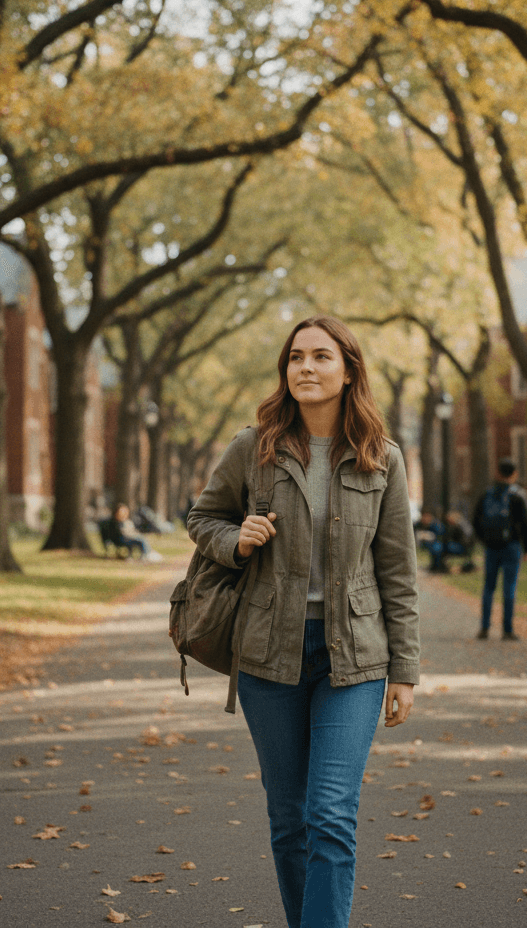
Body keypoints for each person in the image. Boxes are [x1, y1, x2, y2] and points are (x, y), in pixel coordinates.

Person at [186, 315, 419, 928]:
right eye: (295, 358)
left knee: (332, 814)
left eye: (320, 357)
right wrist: (238, 539)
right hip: (269, 652)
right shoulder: (254, 447)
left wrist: (406, 671)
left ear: (348, 371)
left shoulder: (382, 459)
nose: (306, 369)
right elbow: (201, 518)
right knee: (289, 818)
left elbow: (398, 571)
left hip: (357, 657)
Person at [472, 458, 527, 640]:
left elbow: (476, 520)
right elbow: (526, 524)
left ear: (497, 473)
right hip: (511, 546)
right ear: (514, 474)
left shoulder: (487, 493)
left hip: (491, 547)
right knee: (509, 587)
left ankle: (484, 628)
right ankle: (507, 629)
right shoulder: (518, 495)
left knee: (488, 588)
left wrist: (484, 540)